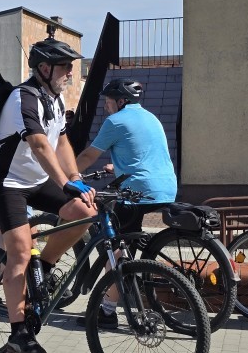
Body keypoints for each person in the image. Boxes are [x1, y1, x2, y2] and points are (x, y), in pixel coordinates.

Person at [0, 37, 96, 353]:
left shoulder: (55, 98)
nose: (70, 72)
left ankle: (43, 267)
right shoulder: (24, 98)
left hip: (36, 179)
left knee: (85, 211)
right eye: (65, 66)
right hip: (5, 182)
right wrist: (65, 183)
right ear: (44, 68)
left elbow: (61, 143)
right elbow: (39, 144)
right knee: (19, 252)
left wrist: (75, 179)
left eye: (71, 67)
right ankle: (18, 332)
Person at [74, 78, 177, 328]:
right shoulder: (151, 118)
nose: (106, 106)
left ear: (121, 101)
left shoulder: (116, 121)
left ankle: (107, 312)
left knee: (115, 247)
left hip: (138, 191)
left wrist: (67, 176)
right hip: (166, 187)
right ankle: (131, 275)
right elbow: (143, 153)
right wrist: (118, 165)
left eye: (108, 101)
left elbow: (88, 155)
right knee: (128, 238)